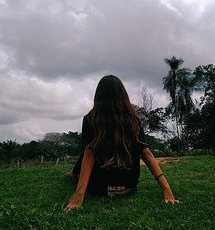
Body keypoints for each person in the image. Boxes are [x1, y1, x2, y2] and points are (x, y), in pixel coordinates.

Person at [64, 75, 179, 212]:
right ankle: (72, 173)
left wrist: (79, 195)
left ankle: (73, 174)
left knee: (86, 152)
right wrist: (167, 190)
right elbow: (146, 153)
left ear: (98, 96)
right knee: (88, 151)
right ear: (123, 95)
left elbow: (88, 156)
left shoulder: (90, 119)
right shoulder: (134, 119)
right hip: (129, 187)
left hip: (100, 188)